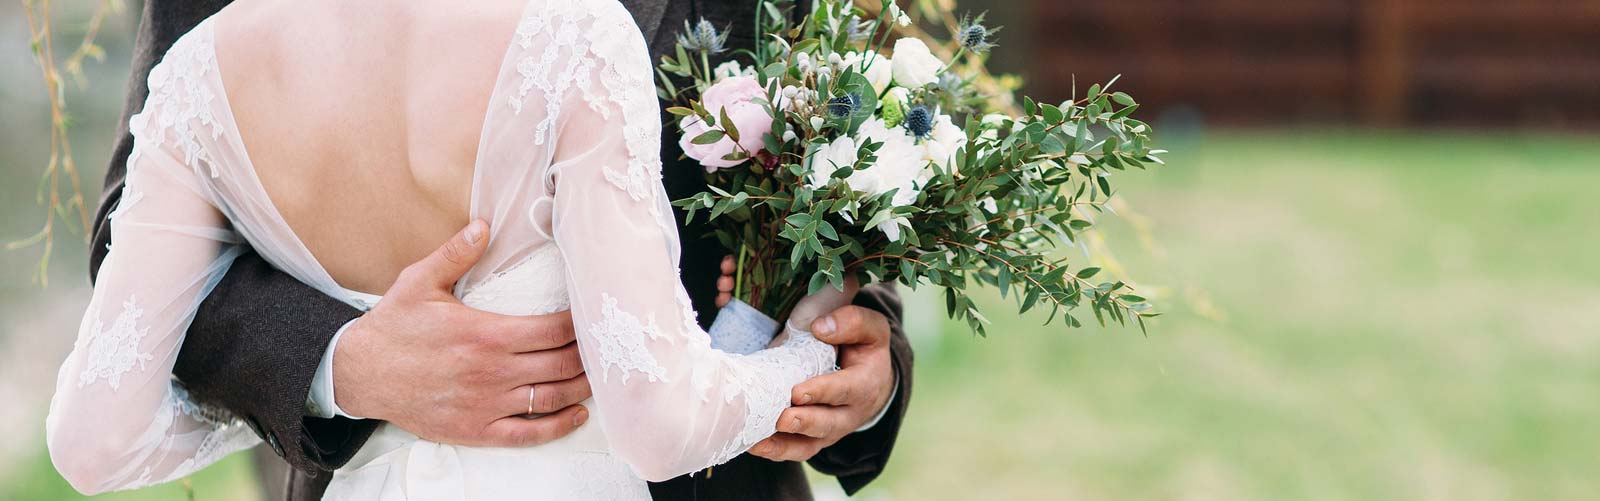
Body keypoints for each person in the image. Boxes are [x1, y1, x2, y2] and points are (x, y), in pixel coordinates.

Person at [57, 0, 912, 499]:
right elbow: (662, 424)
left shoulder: (202, 73)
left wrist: (860, 369)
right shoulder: (578, 35)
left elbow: (94, 437)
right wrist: (337, 368)